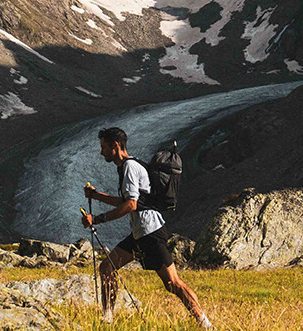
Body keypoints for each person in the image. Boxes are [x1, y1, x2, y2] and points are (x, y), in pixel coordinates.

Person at [81, 127, 212, 328]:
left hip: (150, 232)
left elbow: (131, 205)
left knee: (173, 284)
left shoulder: (129, 168)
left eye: (104, 147)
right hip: (141, 232)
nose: (101, 152)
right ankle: (106, 320)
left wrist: (97, 219)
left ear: (115, 146)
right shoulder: (128, 166)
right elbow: (129, 201)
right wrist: (96, 195)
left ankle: (205, 323)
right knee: (107, 267)